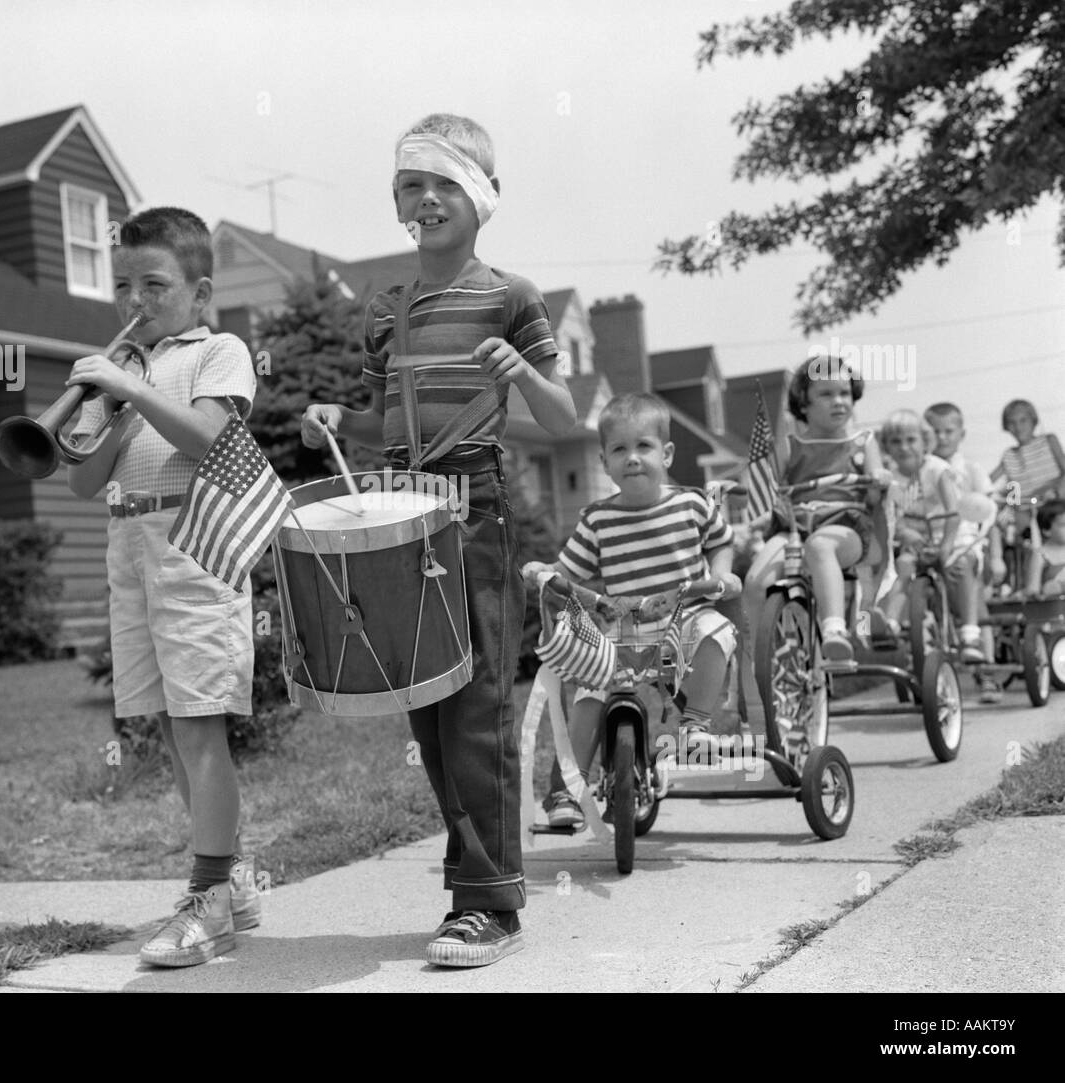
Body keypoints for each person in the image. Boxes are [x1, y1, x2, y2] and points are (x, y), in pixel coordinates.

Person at [301, 113, 576, 967]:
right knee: (427, 711)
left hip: (477, 512)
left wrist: (521, 372)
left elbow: (568, 421)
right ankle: (472, 890)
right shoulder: (387, 310)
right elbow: (380, 417)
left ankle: (491, 904)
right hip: (400, 510)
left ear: (483, 199)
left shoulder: (512, 296)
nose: (425, 200)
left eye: (444, 184)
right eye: (409, 186)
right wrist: (329, 421)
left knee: (480, 710)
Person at [65, 207, 259, 967]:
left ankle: (208, 898)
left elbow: (209, 437)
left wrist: (129, 386)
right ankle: (231, 878)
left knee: (202, 722)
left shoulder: (220, 351)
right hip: (129, 542)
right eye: (122, 285)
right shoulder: (126, 369)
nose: (134, 301)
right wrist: (106, 405)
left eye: (155, 284)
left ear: (200, 291)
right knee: (175, 730)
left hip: (193, 541)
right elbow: (82, 481)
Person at [529, 394, 741, 830]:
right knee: (590, 687)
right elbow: (567, 571)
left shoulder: (692, 504)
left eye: (643, 446)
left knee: (716, 630)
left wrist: (723, 574)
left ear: (665, 454)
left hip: (685, 618)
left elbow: (720, 540)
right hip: (623, 626)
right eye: (619, 450)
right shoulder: (598, 520)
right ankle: (569, 788)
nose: (632, 458)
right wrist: (543, 572)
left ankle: (696, 727)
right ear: (604, 461)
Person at [742, 354, 892, 669]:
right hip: (794, 527)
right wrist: (755, 522)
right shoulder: (790, 444)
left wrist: (879, 480)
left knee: (820, 546)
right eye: (826, 394)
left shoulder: (863, 442)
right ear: (803, 404)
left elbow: (877, 489)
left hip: (846, 528)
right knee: (756, 582)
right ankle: (760, 661)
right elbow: (772, 494)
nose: (839, 401)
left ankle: (835, 630)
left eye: (844, 393)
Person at [874, 410, 987, 663]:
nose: (904, 447)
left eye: (911, 440)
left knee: (962, 563)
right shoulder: (891, 480)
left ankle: (970, 634)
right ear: (887, 447)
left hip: (952, 535)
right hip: (919, 540)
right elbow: (894, 517)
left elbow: (954, 512)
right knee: (903, 566)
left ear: (925, 441)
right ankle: (891, 624)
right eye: (896, 441)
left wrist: (946, 545)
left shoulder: (937, 470)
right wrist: (906, 534)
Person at [925, 402, 1004, 701]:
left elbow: (989, 516)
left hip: (967, 544)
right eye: (935, 432)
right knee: (928, 612)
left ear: (962, 434)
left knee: (974, 608)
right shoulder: (925, 470)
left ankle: (987, 674)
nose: (942, 438)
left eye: (949, 431)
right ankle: (929, 675)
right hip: (931, 544)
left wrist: (996, 557)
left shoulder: (971, 470)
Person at [990, 399, 1065, 504]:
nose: (1018, 427)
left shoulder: (1049, 441)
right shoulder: (1009, 455)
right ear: (1006, 426)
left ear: (1034, 421)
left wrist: (1056, 492)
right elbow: (986, 482)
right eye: (1012, 422)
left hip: (1054, 505)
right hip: (1027, 509)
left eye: (1023, 420)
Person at [1026, 500, 1065, 597]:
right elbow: (1032, 590)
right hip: (1054, 609)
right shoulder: (1041, 555)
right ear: (1046, 530)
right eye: (1063, 525)